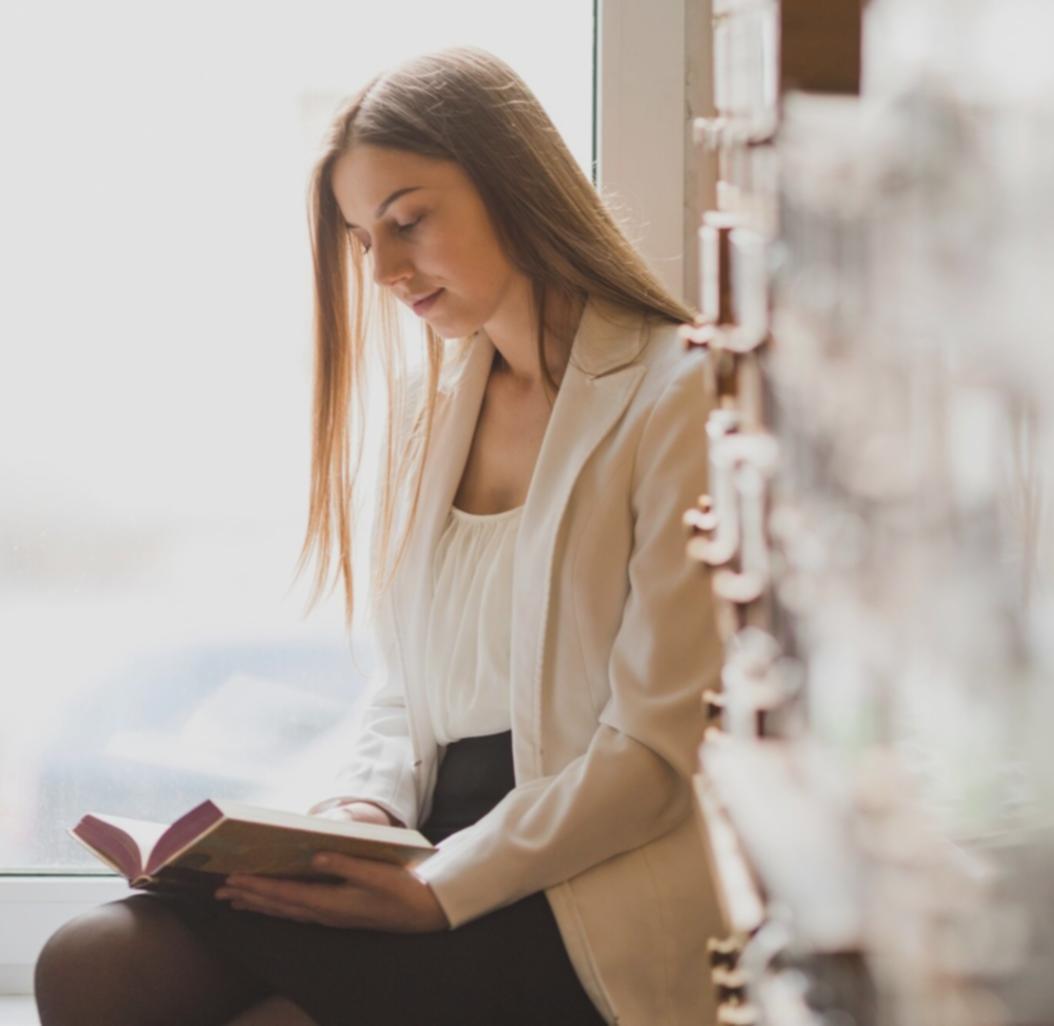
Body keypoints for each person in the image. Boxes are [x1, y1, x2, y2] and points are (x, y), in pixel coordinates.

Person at [34, 45, 725, 1025]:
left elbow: (654, 756)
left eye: (408, 221)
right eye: (365, 239)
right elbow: (406, 688)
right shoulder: (427, 410)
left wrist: (440, 887)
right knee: (93, 960)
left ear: (514, 184)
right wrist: (360, 811)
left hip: (576, 882)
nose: (386, 270)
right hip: (421, 841)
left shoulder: (677, 393)